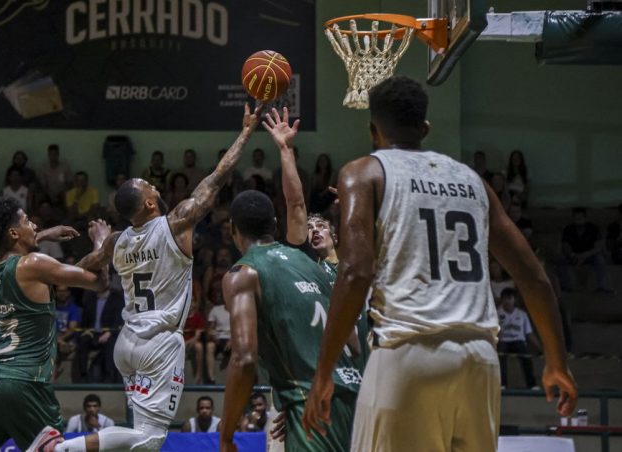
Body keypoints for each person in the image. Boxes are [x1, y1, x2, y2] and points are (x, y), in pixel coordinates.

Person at [301, 76, 577, 451]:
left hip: (409, 350)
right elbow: (533, 278)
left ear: (373, 130)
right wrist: (556, 362)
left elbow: (355, 272)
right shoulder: (471, 181)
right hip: (479, 360)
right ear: (425, 128)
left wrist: (323, 372)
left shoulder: (363, 172)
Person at [43, 103, 261, 452]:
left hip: (127, 342)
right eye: (146, 185)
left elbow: (83, 270)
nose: (150, 182)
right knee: (150, 438)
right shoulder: (177, 223)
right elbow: (217, 177)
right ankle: (60, 448)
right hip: (159, 343)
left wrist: (100, 243)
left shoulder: (117, 242)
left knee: (140, 435)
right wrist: (246, 132)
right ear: (148, 204)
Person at [0, 197, 109, 451]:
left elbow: (9, 252)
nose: (33, 224)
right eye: (27, 221)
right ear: (13, 232)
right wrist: (101, 241)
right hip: (25, 384)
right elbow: (100, 283)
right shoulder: (35, 265)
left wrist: (40, 235)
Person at [218, 190, 360, 452]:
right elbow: (352, 340)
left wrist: (226, 434)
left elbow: (244, 359)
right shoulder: (311, 265)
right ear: (274, 224)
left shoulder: (242, 273)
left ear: (232, 228)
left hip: (312, 407)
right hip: (355, 400)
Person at [556, 207, 613, 293]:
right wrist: (573, 255)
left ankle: (602, 287)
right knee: (560, 260)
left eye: (580, 218)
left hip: (590, 255)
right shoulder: (569, 229)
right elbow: (565, 245)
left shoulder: (593, 228)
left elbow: (598, 247)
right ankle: (565, 287)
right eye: (575, 218)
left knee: (600, 259)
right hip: (574, 256)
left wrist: (585, 255)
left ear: (585, 218)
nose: (578, 221)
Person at [497, 288, 541, 389]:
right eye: (505, 298)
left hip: (519, 341)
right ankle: (502, 384)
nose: (507, 301)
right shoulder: (497, 313)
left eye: (509, 298)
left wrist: (540, 349)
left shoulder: (522, 314)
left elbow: (529, 334)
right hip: (504, 341)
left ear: (514, 299)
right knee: (500, 354)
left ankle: (532, 384)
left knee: (525, 354)